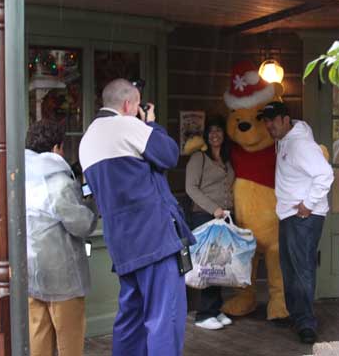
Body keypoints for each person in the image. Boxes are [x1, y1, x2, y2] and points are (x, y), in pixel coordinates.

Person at [79, 78, 194, 356]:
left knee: (130, 320)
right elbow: (169, 155)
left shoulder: (87, 140)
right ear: (129, 104)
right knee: (164, 320)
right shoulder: (129, 125)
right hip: (156, 240)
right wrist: (151, 123)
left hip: (122, 244)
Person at [258, 101, 334, 345]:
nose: (268, 125)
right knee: (290, 268)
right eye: (266, 121)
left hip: (304, 216)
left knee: (301, 269)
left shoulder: (300, 143)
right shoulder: (286, 140)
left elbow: (325, 175)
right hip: (290, 215)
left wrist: (308, 204)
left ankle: (306, 324)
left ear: (285, 119)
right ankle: (298, 316)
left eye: (273, 120)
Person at [24, 120, 97, 356]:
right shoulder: (58, 182)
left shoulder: (20, 175)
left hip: (31, 269)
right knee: (69, 340)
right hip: (63, 276)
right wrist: (90, 201)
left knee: (38, 336)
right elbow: (82, 224)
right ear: (56, 148)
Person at [185, 116, 235, 330]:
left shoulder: (226, 159)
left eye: (219, 131)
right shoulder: (199, 158)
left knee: (220, 264)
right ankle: (203, 314)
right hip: (205, 216)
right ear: (207, 135)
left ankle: (215, 309)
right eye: (211, 131)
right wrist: (213, 209)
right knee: (208, 266)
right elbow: (191, 188)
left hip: (224, 218)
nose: (215, 135)